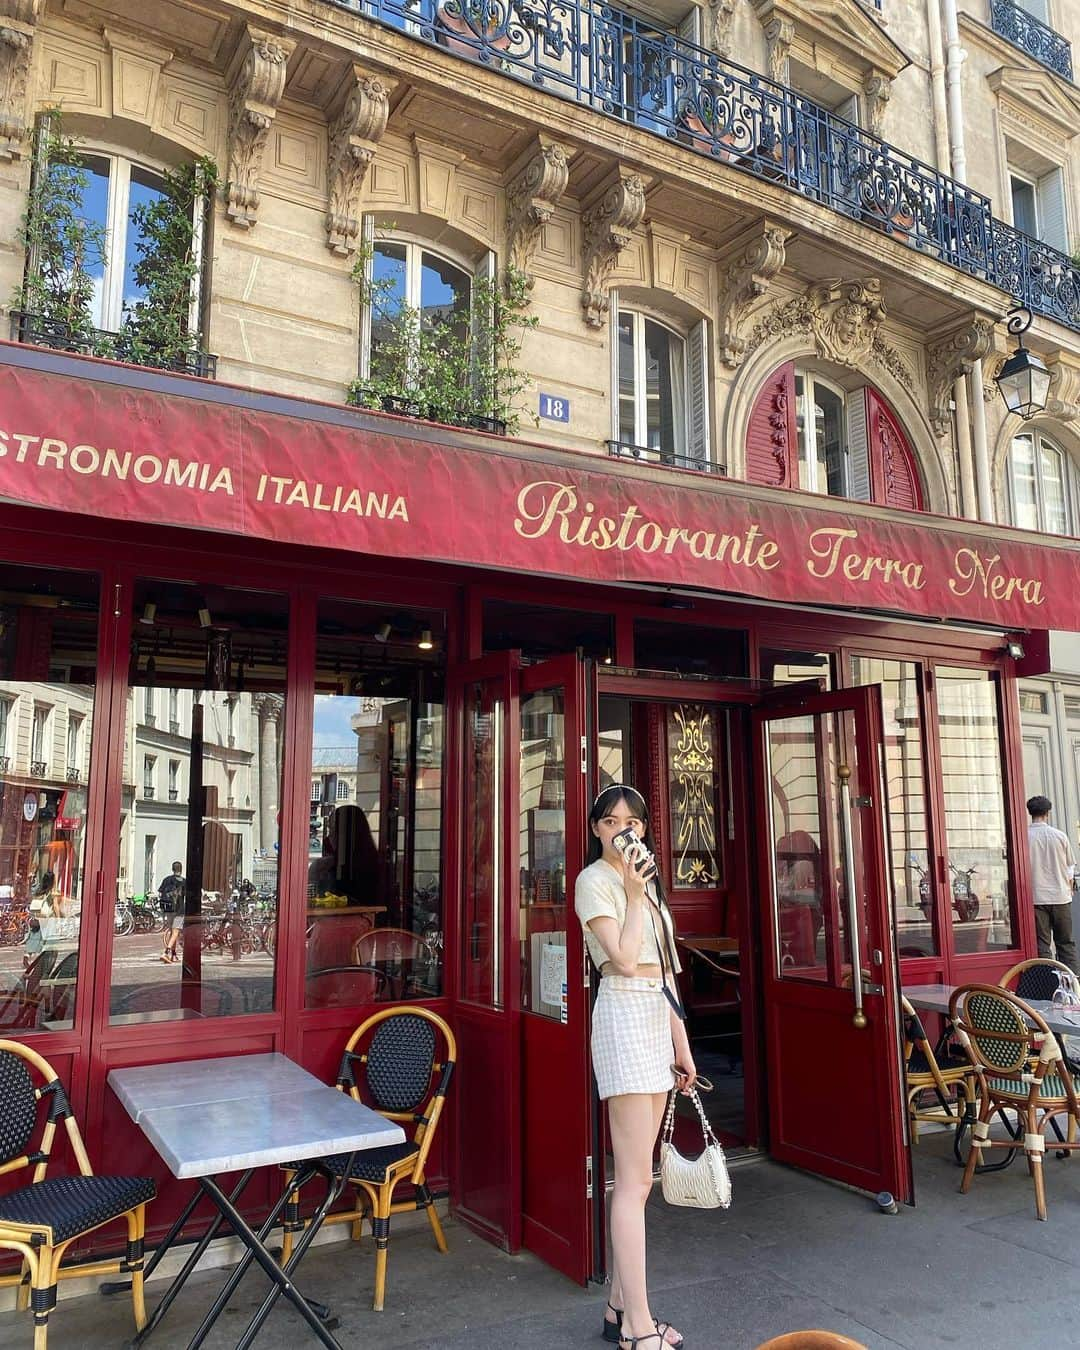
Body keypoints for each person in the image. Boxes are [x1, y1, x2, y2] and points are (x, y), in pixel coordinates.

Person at [574, 784, 694, 1350]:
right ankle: (638, 1328)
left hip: (655, 1013)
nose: (624, 830)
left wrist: (683, 1045)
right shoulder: (595, 881)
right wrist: (629, 888)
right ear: (597, 829)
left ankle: (618, 1307)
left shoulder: (649, 885)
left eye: (634, 821)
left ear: (644, 828)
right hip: (622, 1011)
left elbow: (666, 970)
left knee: (642, 1180)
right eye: (612, 821)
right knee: (631, 1180)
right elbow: (622, 960)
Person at [1027, 795, 1078, 975]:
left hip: (1035, 897)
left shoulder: (1023, 837)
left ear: (1029, 812)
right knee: (1066, 943)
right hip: (1060, 895)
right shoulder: (1059, 836)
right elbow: (1070, 867)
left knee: (1042, 944)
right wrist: (1069, 886)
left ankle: (1047, 984)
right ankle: (1073, 984)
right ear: (1048, 813)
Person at [158, 861, 186, 964]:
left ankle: (173, 955)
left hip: (168, 909)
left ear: (172, 869)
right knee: (176, 932)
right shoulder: (183, 881)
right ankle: (166, 952)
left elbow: (161, 892)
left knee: (172, 932)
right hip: (179, 910)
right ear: (181, 869)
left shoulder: (166, 880)